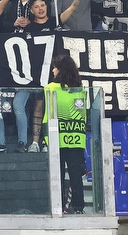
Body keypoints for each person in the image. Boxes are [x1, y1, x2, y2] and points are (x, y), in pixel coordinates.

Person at [44, 53, 87, 214]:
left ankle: (58, 207)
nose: (53, 71)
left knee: (57, 176)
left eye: (55, 68)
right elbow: (83, 116)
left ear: (61, 70)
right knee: (76, 177)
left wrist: (45, 138)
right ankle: (79, 208)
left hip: (56, 139)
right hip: (76, 139)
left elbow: (46, 115)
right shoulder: (80, 90)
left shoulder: (50, 89)